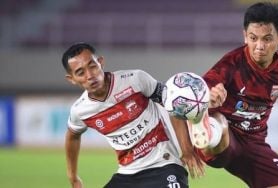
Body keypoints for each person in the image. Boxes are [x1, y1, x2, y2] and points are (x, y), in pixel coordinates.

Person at [186, 2, 278, 188]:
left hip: (254, 143)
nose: (259, 46)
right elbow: (195, 92)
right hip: (226, 141)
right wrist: (208, 97)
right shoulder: (230, 65)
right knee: (219, 124)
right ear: (245, 37)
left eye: (267, 39)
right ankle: (204, 132)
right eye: (253, 38)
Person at [62, 43, 204, 188]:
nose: (90, 75)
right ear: (71, 79)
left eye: (92, 66)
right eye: (80, 73)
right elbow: (72, 136)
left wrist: (187, 150)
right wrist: (73, 177)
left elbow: (172, 105)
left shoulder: (135, 79)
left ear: (101, 62)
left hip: (164, 164)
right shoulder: (80, 110)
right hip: (127, 174)